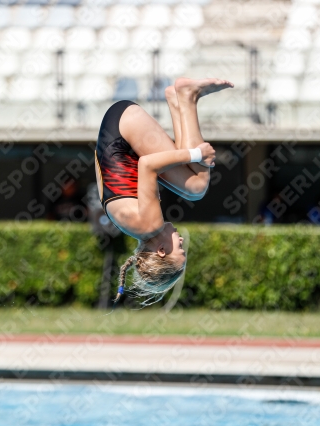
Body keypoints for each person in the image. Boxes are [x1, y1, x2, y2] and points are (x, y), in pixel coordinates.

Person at [95, 77, 234, 305]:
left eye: (179, 249)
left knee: (197, 185)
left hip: (123, 129)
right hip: (115, 129)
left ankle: (187, 97)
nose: (181, 239)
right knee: (191, 190)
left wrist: (197, 155)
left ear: (161, 251)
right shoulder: (135, 228)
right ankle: (177, 100)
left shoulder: (150, 225)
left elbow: (147, 164)